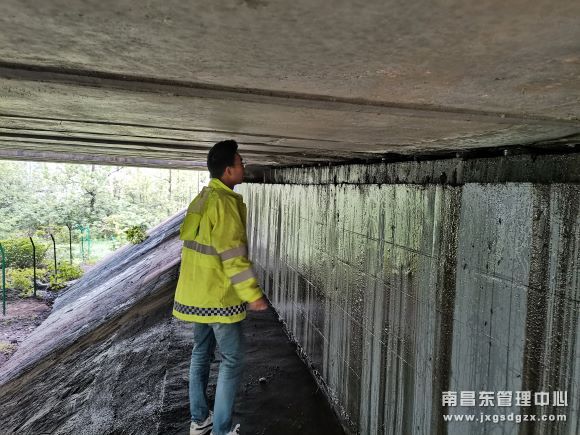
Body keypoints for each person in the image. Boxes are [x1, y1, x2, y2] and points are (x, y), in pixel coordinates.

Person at [173, 139, 268, 435]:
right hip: (217, 296)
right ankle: (222, 430)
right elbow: (233, 256)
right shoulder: (225, 204)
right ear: (228, 170)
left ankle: (200, 420)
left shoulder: (203, 198)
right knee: (232, 360)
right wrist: (252, 294)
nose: (244, 167)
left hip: (195, 293)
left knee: (201, 353)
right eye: (240, 163)